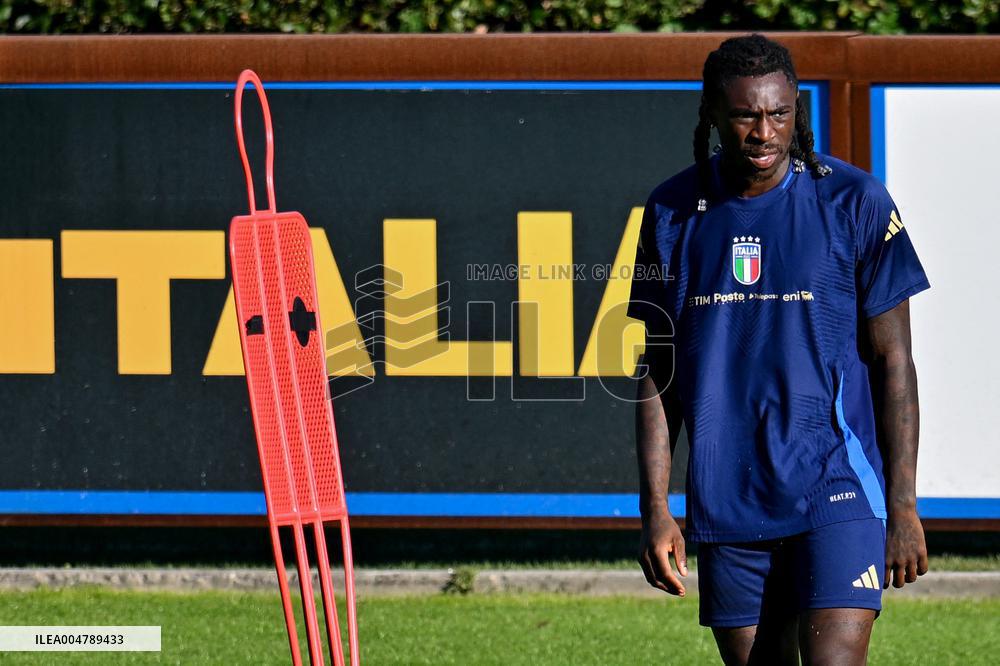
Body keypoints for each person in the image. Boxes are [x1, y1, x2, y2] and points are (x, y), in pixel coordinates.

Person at [628, 34, 930, 665]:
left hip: (837, 487)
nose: (764, 132)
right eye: (744, 115)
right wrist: (655, 509)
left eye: (779, 114)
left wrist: (903, 505)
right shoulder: (671, 213)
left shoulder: (854, 202)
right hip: (728, 497)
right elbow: (659, 374)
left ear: (797, 109)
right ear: (712, 113)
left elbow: (894, 363)